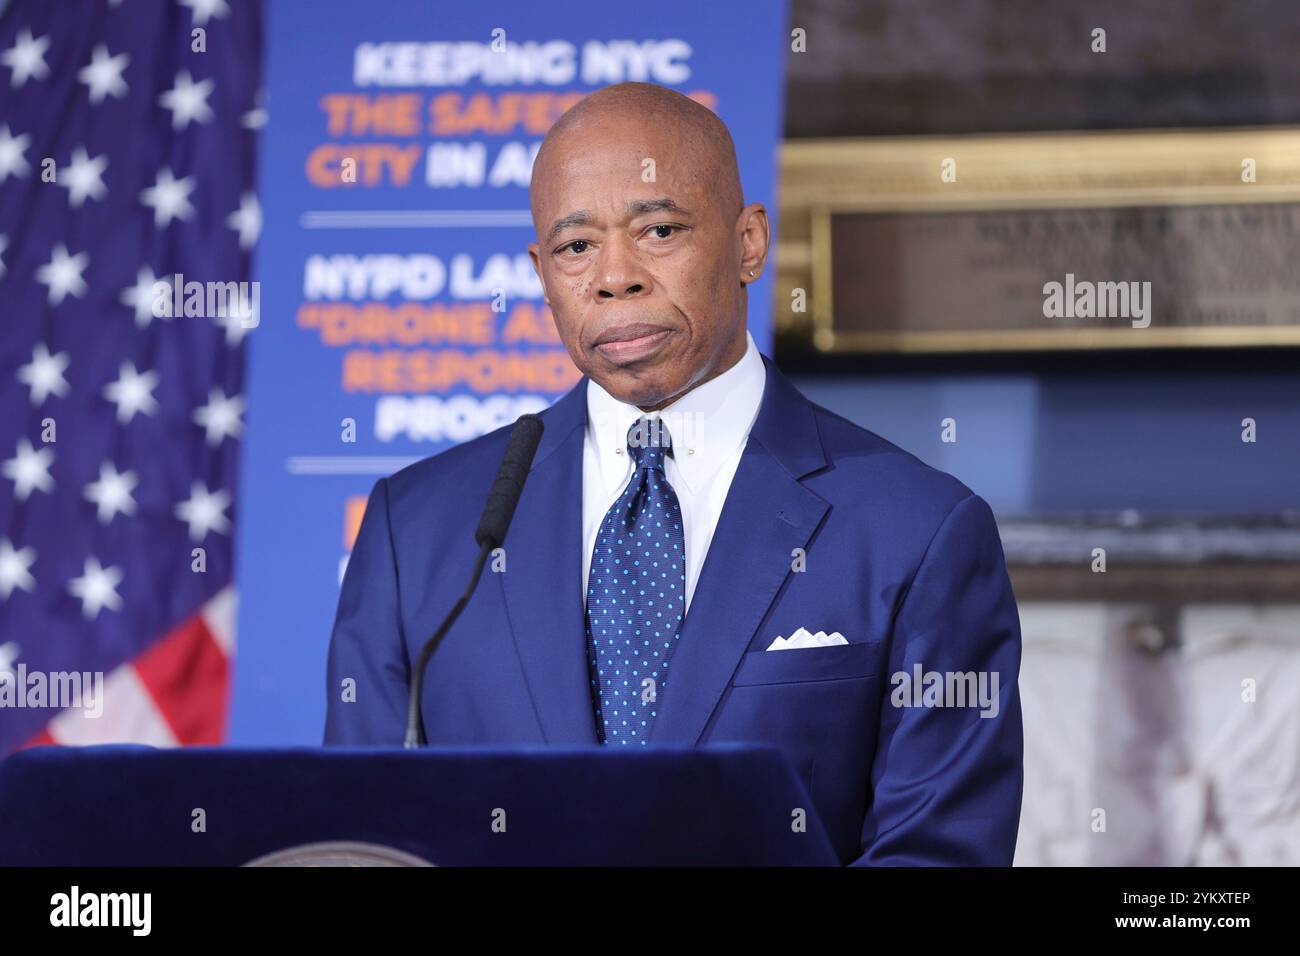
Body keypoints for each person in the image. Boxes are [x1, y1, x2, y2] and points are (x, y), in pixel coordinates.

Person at [325, 82, 1023, 866]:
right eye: (575, 246)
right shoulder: (413, 530)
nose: (614, 276)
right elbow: (364, 843)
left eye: (658, 230)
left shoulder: (918, 530)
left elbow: (935, 855)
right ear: (542, 271)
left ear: (750, 243)